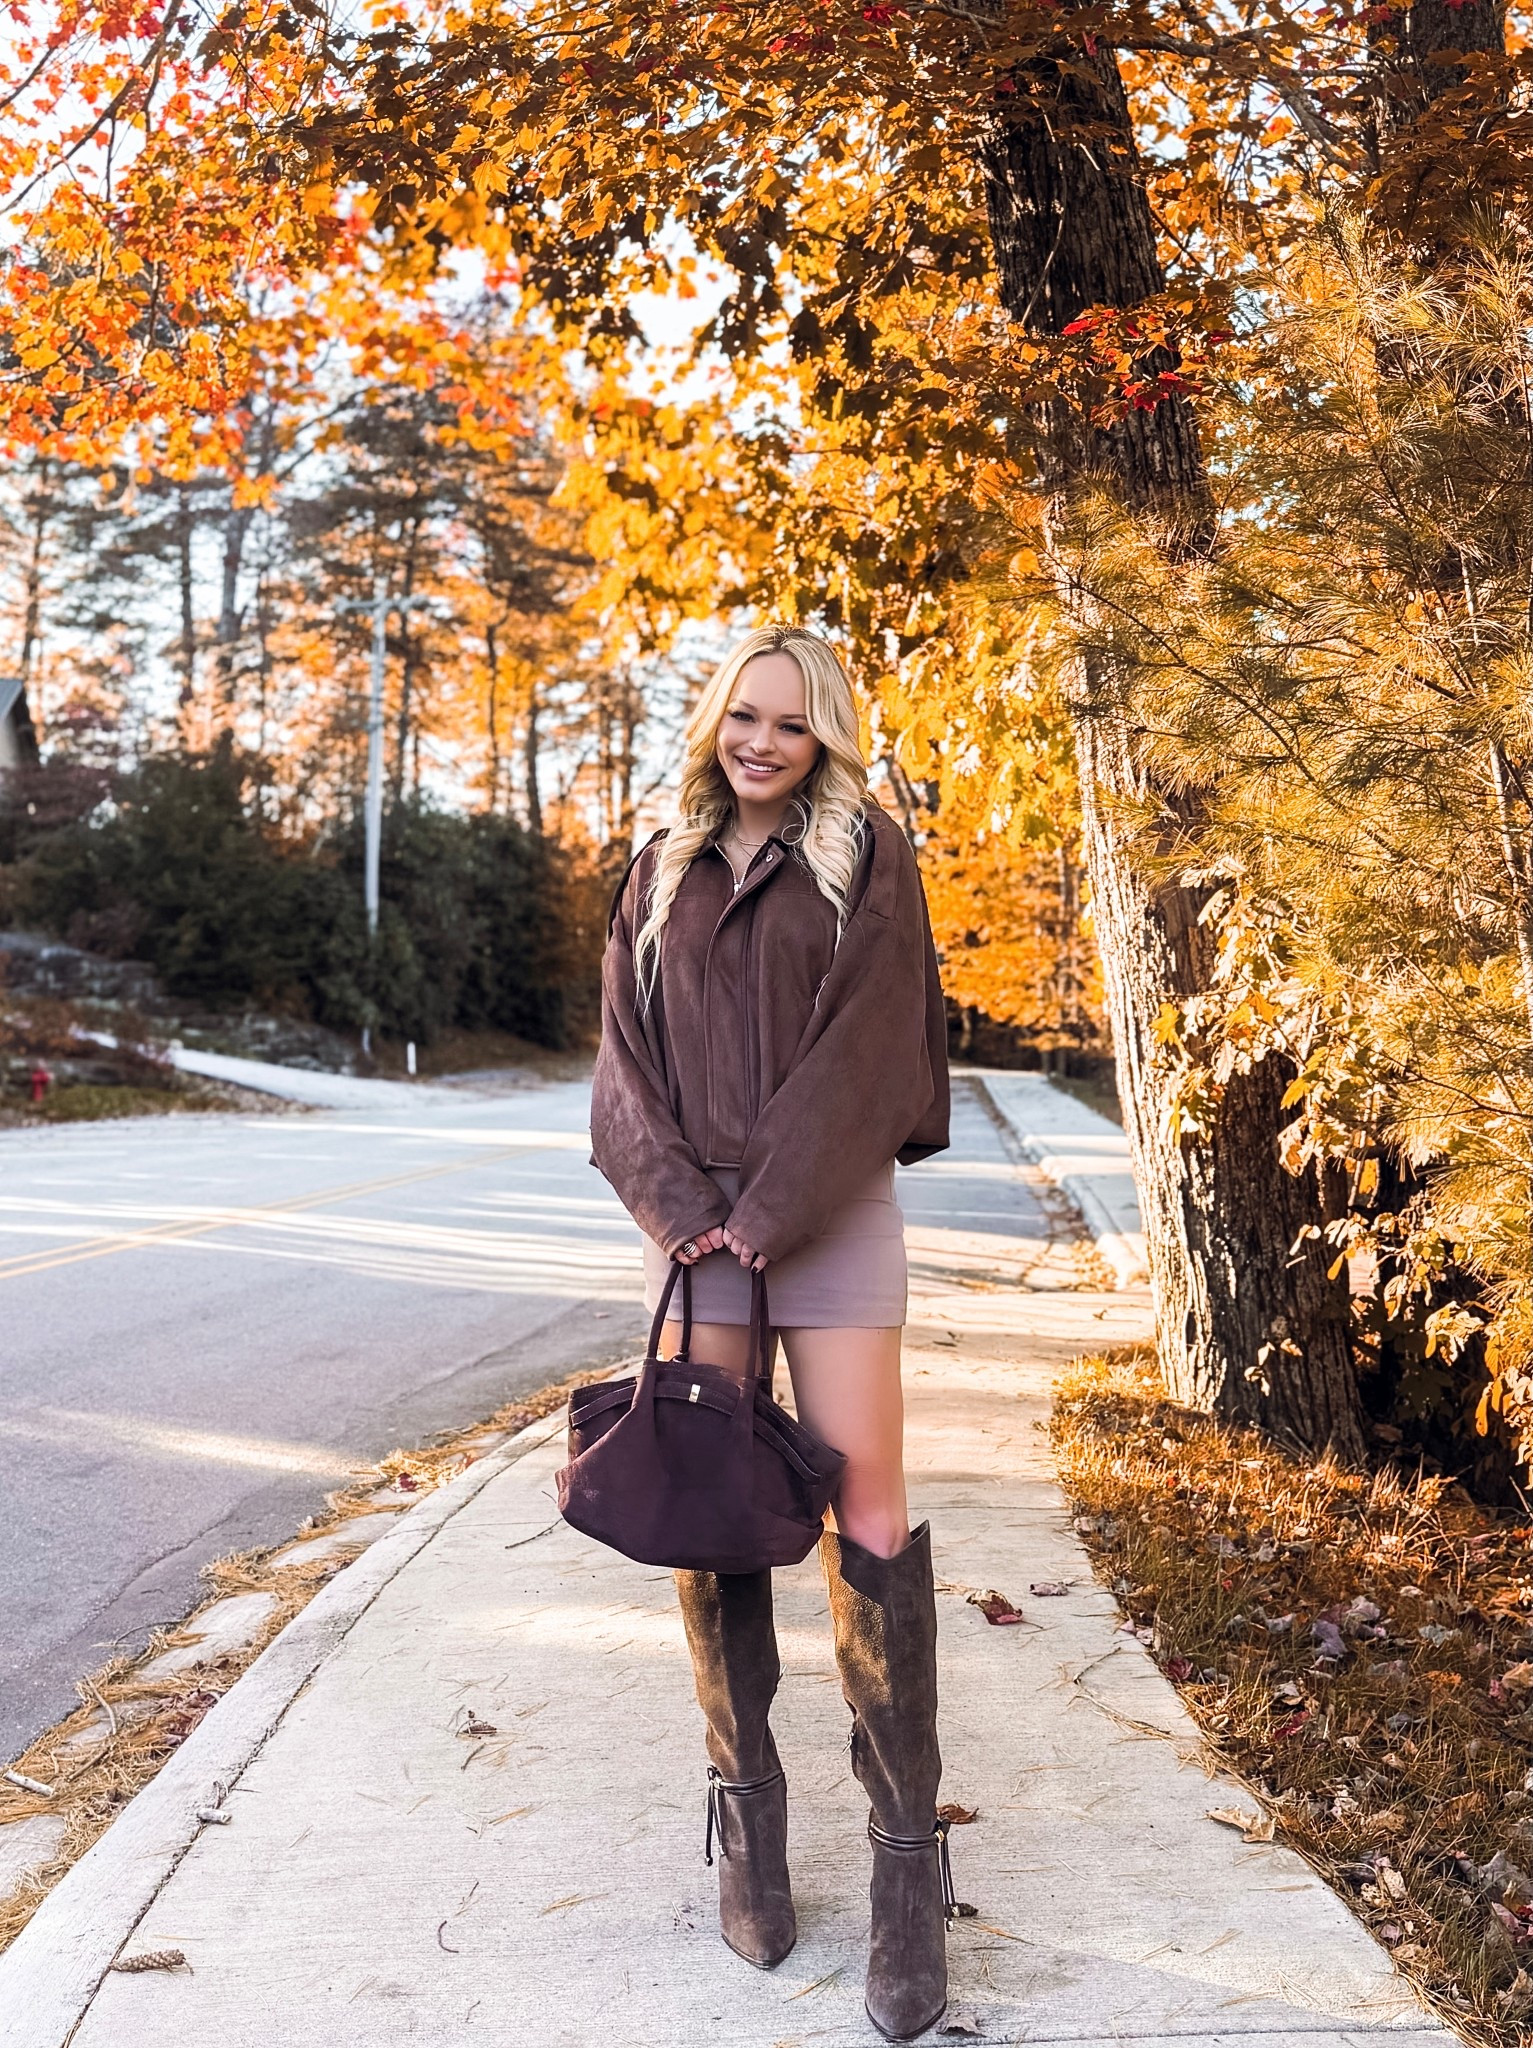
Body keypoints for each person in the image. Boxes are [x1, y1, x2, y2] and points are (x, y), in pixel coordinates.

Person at [589, 624, 957, 2041]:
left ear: (823, 741)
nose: (759, 742)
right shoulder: (656, 864)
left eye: (789, 726)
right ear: (713, 721)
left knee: (865, 1518)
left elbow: (876, 1039)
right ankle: (748, 1815)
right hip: (694, 1235)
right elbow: (621, 1056)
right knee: (713, 1508)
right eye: (743, 717)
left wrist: (776, 1203)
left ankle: (905, 1864)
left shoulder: (868, 856)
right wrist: (685, 1208)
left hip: (829, 1211)